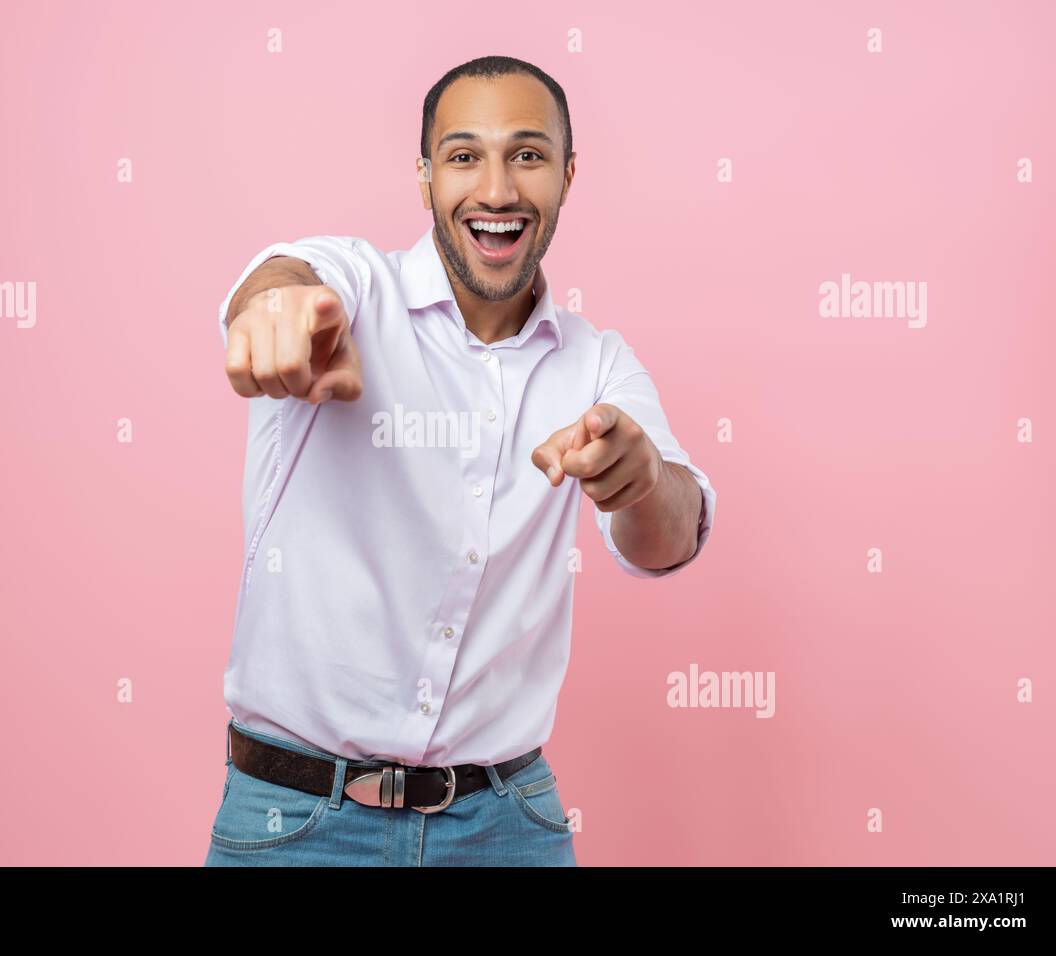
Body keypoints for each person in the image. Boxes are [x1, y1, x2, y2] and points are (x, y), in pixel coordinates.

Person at [205, 55, 716, 867]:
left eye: (527, 155)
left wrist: (644, 477)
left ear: (568, 175)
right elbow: (282, 278)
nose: (498, 191)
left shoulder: (598, 366)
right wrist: (277, 309)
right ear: (425, 175)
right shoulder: (354, 292)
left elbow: (672, 534)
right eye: (464, 155)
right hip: (294, 826)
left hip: (506, 828)